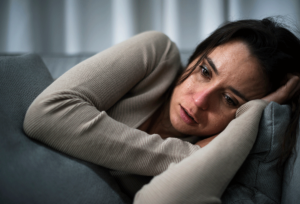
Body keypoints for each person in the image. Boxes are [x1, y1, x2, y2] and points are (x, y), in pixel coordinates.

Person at [23, 17, 300, 203]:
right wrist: (191, 155)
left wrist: (257, 112)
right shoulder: (157, 56)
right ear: (196, 56)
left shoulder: (225, 157)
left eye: (230, 100)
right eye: (204, 71)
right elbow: (45, 115)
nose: (201, 99)